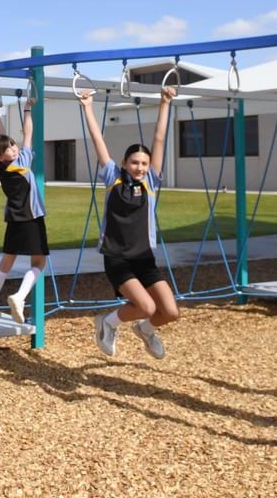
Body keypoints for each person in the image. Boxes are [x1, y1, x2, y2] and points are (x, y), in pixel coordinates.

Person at [78, 85, 180, 359]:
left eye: (144, 163)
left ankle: (145, 330)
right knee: (145, 305)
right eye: (135, 162)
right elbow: (98, 140)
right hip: (118, 257)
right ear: (124, 163)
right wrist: (88, 107)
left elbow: (159, 139)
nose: (140, 167)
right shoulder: (114, 177)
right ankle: (107, 322)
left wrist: (165, 103)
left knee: (170, 312)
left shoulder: (150, 182)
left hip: (144, 257)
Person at [0, 94, 46, 323]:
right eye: (10, 148)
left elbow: (0, 139)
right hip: (32, 218)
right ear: (1, 155)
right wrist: (28, 109)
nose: (14, 148)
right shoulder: (22, 163)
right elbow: (28, 133)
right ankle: (19, 296)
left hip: (14, 218)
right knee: (39, 262)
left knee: (7, 260)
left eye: (13, 145)